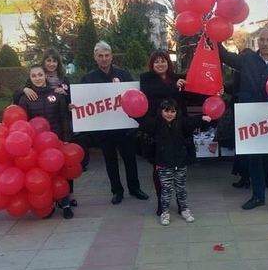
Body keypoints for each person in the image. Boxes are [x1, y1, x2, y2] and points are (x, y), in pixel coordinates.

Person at [218, 28, 268, 215]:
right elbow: (225, 56)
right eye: (261, 40)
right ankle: (258, 197)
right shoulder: (247, 60)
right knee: (255, 160)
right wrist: (212, 37)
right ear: (257, 42)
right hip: (252, 117)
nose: (265, 43)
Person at [79, 40, 149, 205]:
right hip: (104, 129)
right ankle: (117, 191)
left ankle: (135, 188)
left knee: (130, 160)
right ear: (95, 58)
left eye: (107, 55)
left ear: (112, 56)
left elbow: (134, 97)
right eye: (100, 56)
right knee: (110, 162)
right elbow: (82, 101)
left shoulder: (124, 75)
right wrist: (73, 105)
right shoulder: (88, 78)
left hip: (125, 127)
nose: (104, 59)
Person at [134, 98, 211, 226]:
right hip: (163, 164)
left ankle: (184, 209)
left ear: (177, 112)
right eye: (166, 111)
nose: (169, 114)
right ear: (161, 111)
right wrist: (134, 113)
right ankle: (165, 212)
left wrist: (203, 118)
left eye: (172, 111)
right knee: (166, 189)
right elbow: (143, 120)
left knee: (181, 189)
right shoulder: (156, 124)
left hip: (180, 163)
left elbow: (192, 122)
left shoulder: (181, 123)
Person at [17, 64, 75, 219]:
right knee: (42, 176)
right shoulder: (25, 97)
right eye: (34, 75)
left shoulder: (57, 94)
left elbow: (64, 118)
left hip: (56, 140)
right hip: (36, 145)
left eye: (40, 75)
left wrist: (66, 139)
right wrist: (23, 89)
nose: (37, 78)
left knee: (60, 172)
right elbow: (22, 122)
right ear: (30, 78)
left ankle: (65, 203)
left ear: (45, 76)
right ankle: (47, 204)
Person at [139, 50, 186, 216]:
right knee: (158, 168)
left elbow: (192, 92)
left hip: (177, 128)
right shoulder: (146, 78)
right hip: (156, 129)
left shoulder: (177, 77)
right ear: (152, 64)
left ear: (168, 63)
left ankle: (182, 203)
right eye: (156, 61)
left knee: (179, 169)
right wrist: (175, 87)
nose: (160, 64)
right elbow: (154, 91)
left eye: (163, 61)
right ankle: (162, 201)